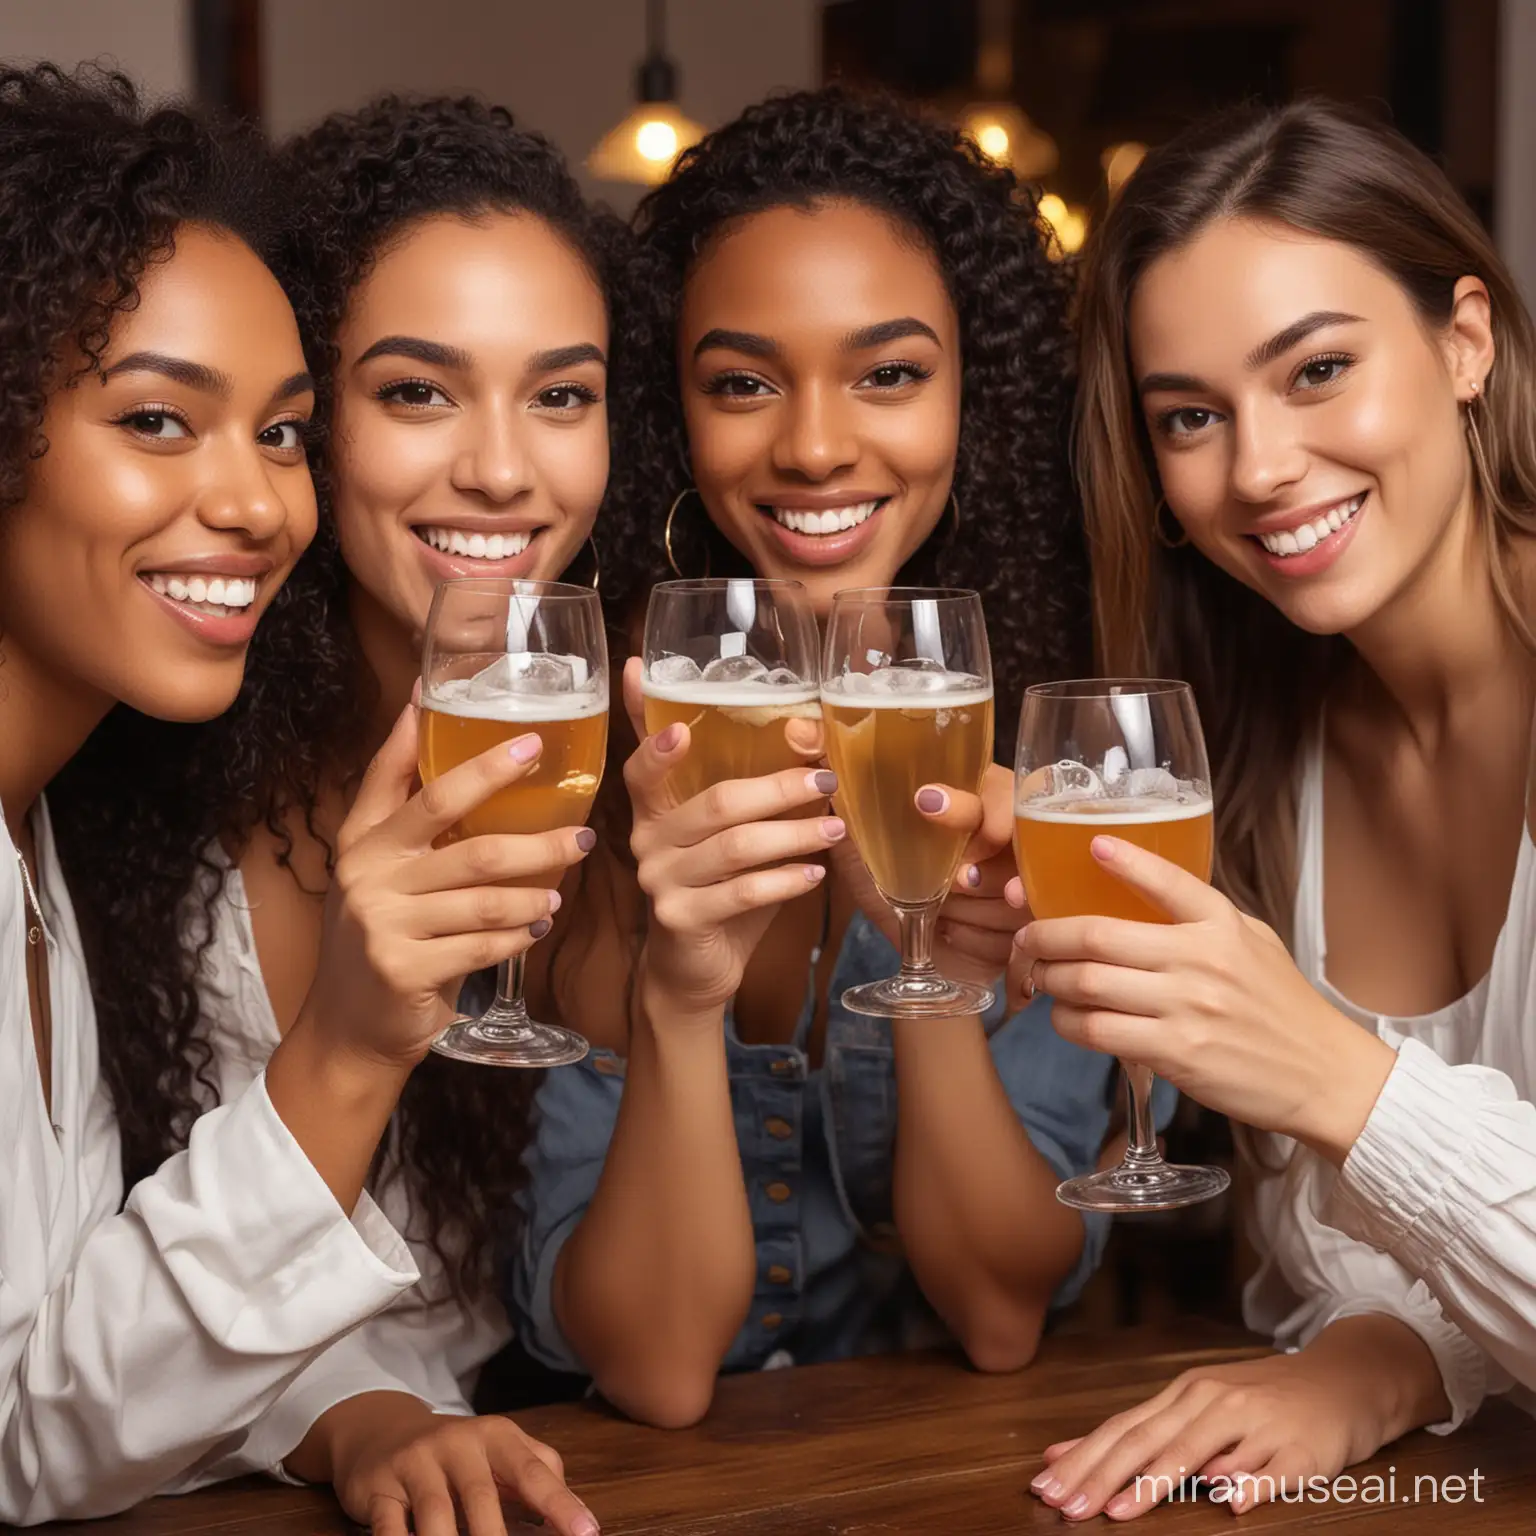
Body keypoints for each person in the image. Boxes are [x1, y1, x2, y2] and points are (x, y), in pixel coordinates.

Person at [508, 87, 1150, 1431]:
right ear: (668, 411)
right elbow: (653, 1371)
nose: (809, 444)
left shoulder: (1035, 749)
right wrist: (680, 990)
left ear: (977, 395)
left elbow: (997, 1313)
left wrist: (906, 926)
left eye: (889, 373)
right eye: (742, 383)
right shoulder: (581, 739)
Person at [0, 65, 581, 1529]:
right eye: (155, 422)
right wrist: (345, 1047)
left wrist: (348, 1406)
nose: (260, 504)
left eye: (276, 431)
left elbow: (57, 1363)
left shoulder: (46, 827)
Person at [1009, 98, 1536, 1521]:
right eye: (1191, 415)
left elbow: (1356, 1132)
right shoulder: (1258, 747)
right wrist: (1379, 1357)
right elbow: (1336, 1244)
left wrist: (1333, 1076)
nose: (1256, 469)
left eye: (1317, 370)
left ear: (1465, 340)